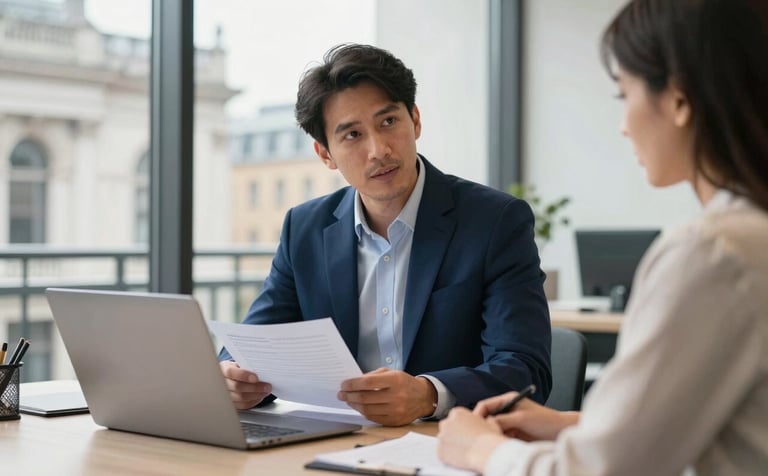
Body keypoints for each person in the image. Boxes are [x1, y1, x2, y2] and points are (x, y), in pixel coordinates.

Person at [436, 0, 768, 473]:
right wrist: (572, 425)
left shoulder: (714, 254)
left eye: (623, 94)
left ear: (678, 99)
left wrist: (479, 449)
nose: (623, 124)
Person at [219, 44, 553, 426]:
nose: (378, 150)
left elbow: (526, 370)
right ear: (325, 154)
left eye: (389, 122)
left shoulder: (494, 221)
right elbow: (250, 344)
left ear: (415, 120)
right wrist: (232, 376)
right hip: (334, 440)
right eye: (352, 135)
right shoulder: (305, 228)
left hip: (448, 444)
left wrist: (429, 395)